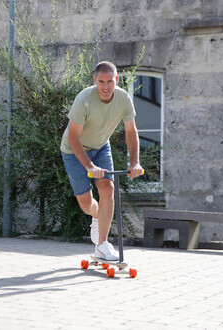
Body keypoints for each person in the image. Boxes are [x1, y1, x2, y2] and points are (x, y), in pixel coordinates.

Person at [61, 61, 143, 261]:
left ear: (116, 80)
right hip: (73, 150)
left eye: (110, 82)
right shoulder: (84, 99)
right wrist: (89, 166)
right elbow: (73, 138)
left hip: (100, 147)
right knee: (86, 203)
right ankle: (96, 215)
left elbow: (131, 132)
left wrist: (134, 162)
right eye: (101, 82)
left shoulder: (124, 99)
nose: (106, 87)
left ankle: (102, 245)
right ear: (95, 80)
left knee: (108, 190)